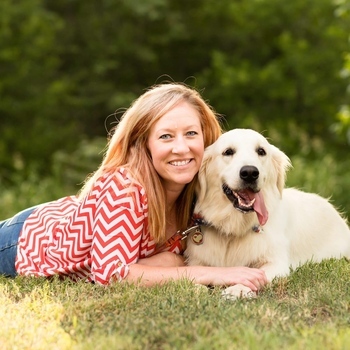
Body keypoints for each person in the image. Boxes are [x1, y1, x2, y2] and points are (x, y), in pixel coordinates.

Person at [0, 83, 267, 292]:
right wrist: (209, 273)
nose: (181, 148)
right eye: (166, 136)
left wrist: (162, 266)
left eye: (191, 133)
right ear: (144, 143)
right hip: (21, 241)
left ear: (205, 138)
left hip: (64, 214)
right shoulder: (124, 187)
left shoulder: (203, 182)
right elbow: (112, 275)